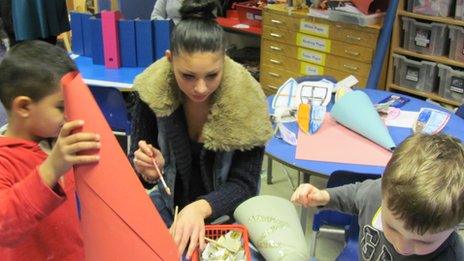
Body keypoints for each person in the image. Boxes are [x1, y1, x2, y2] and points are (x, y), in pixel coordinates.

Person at [131, 0, 272, 258]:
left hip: (225, 218)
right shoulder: (151, 91)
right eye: (187, 76)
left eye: (211, 75)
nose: (200, 88)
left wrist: (199, 208)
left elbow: (246, 185)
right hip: (168, 208)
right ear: (170, 60)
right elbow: (137, 173)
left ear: (225, 61)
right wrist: (149, 170)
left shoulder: (248, 100)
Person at [0, 40, 101, 260]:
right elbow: (3, 226)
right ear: (24, 107)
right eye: (61, 107)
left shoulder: (57, 143)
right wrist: (52, 168)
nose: (69, 115)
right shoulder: (4, 160)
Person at [292, 133, 464, 260]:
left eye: (424, 242)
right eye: (392, 228)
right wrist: (325, 196)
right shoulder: (376, 194)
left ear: (456, 225)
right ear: (383, 191)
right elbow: (355, 195)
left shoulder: (453, 256)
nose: (402, 247)